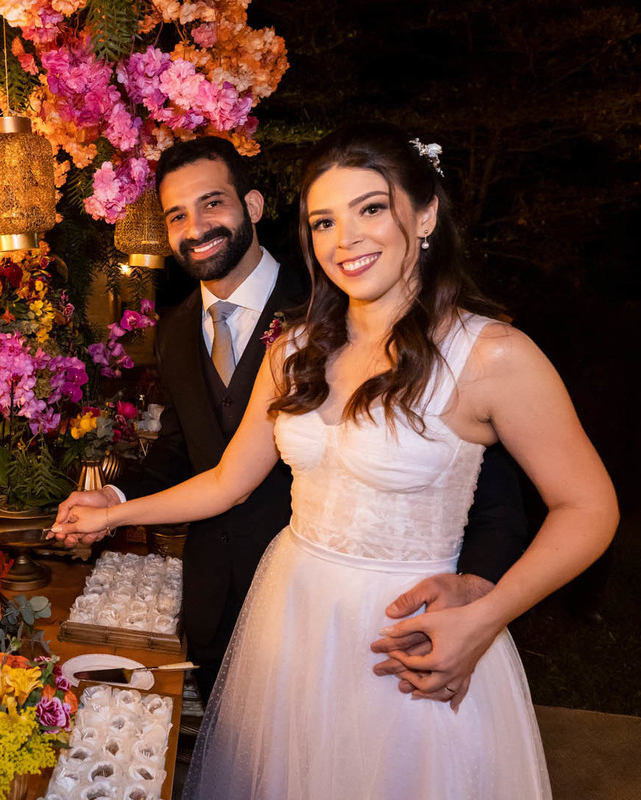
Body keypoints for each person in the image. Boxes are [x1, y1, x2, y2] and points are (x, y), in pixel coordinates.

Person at [51, 123, 618, 798]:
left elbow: (588, 508)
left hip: (404, 643)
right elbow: (230, 482)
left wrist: (487, 614)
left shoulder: (493, 356)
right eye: (324, 222)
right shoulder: (294, 347)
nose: (345, 240)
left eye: (370, 209)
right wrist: (113, 511)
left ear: (426, 212)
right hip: (291, 618)